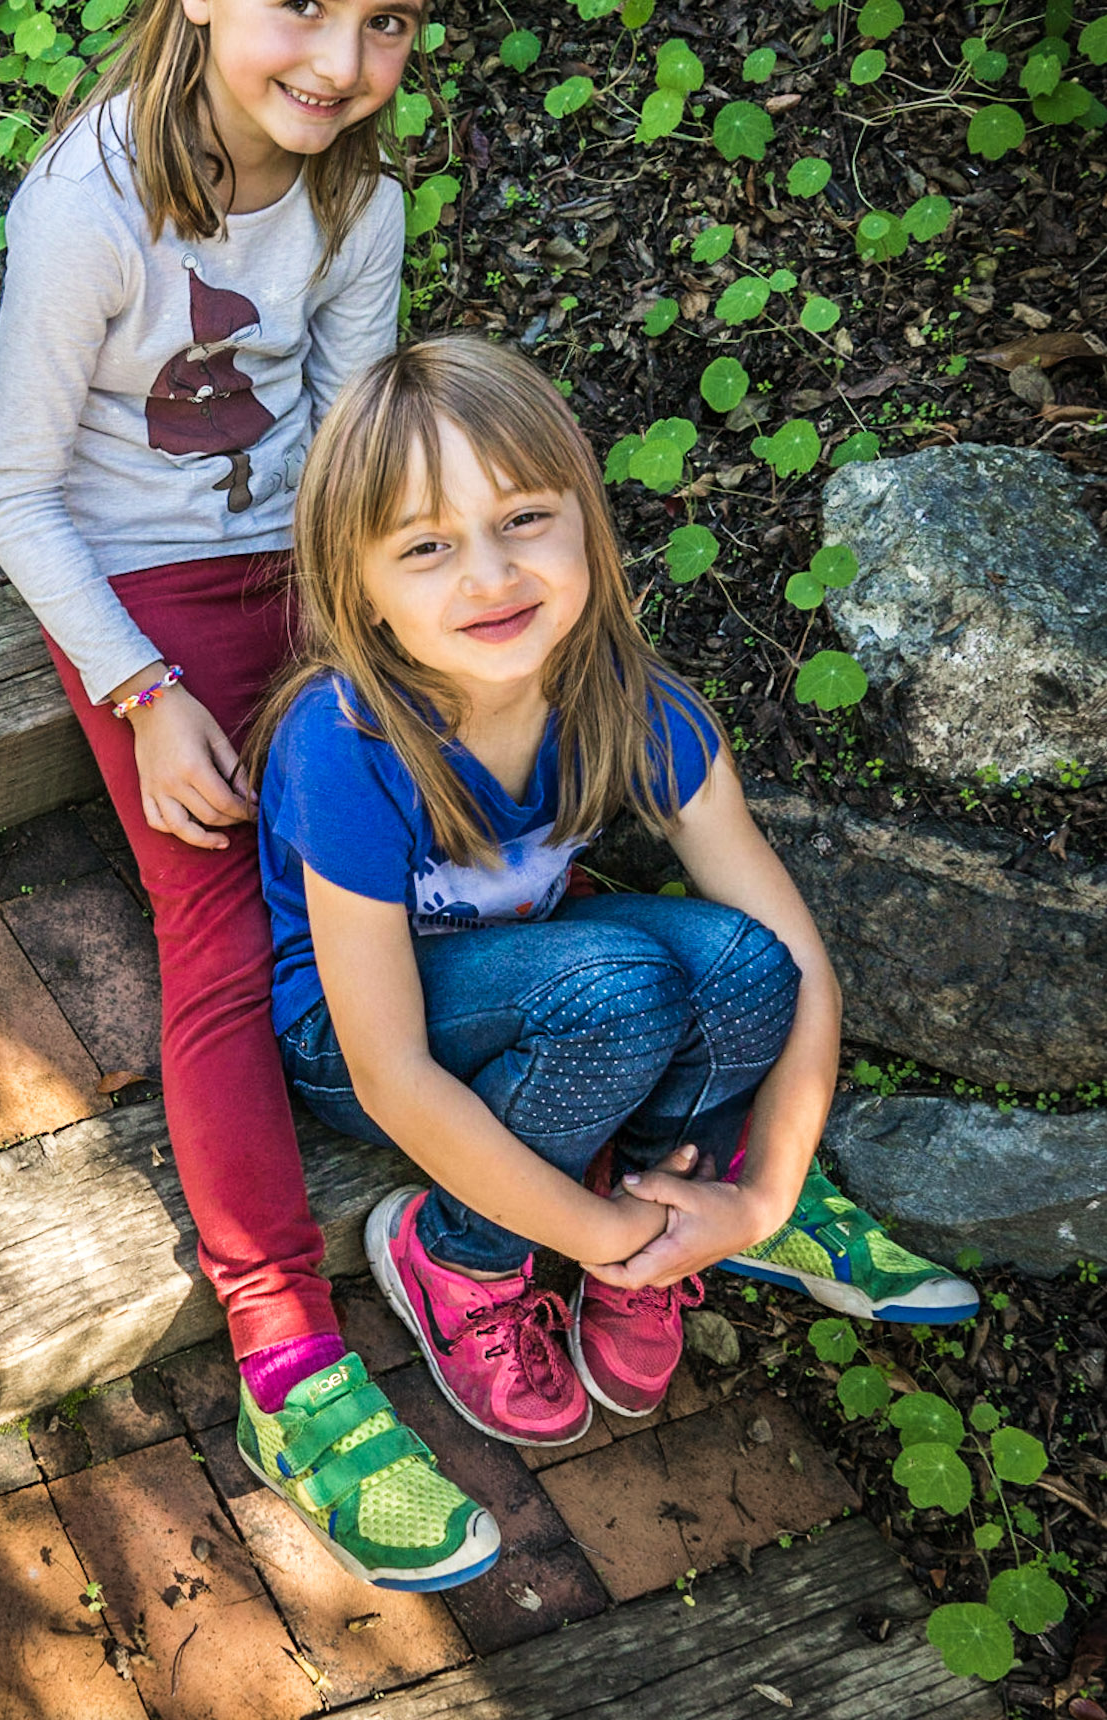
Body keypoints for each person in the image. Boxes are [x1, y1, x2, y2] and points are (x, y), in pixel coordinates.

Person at [0, 0, 501, 1589]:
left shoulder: (358, 199)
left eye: (389, 23)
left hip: (307, 562)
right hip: (135, 585)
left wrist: (387, 634)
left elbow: (354, 446)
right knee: (212, 915)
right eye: (305, 7)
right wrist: (138, 692)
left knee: (473, 779)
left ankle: (605, 1141)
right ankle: (286, 1348)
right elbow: (12, 493)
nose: (344, 64)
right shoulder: (89, 210)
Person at [253, 337, 971, 1453]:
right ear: (362, 589)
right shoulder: (345, 740)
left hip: (541, 982)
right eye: (428, 546)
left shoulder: (628, 702)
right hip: (349, 1040)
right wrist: (601, 1234)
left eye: (523, 518)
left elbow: (803, 967)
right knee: (616, 987)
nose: (489, 575)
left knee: (746, 969)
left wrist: (758, 1202)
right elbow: (391, 1075)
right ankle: (463, 1253)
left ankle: (667, 1206)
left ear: (585, 521)